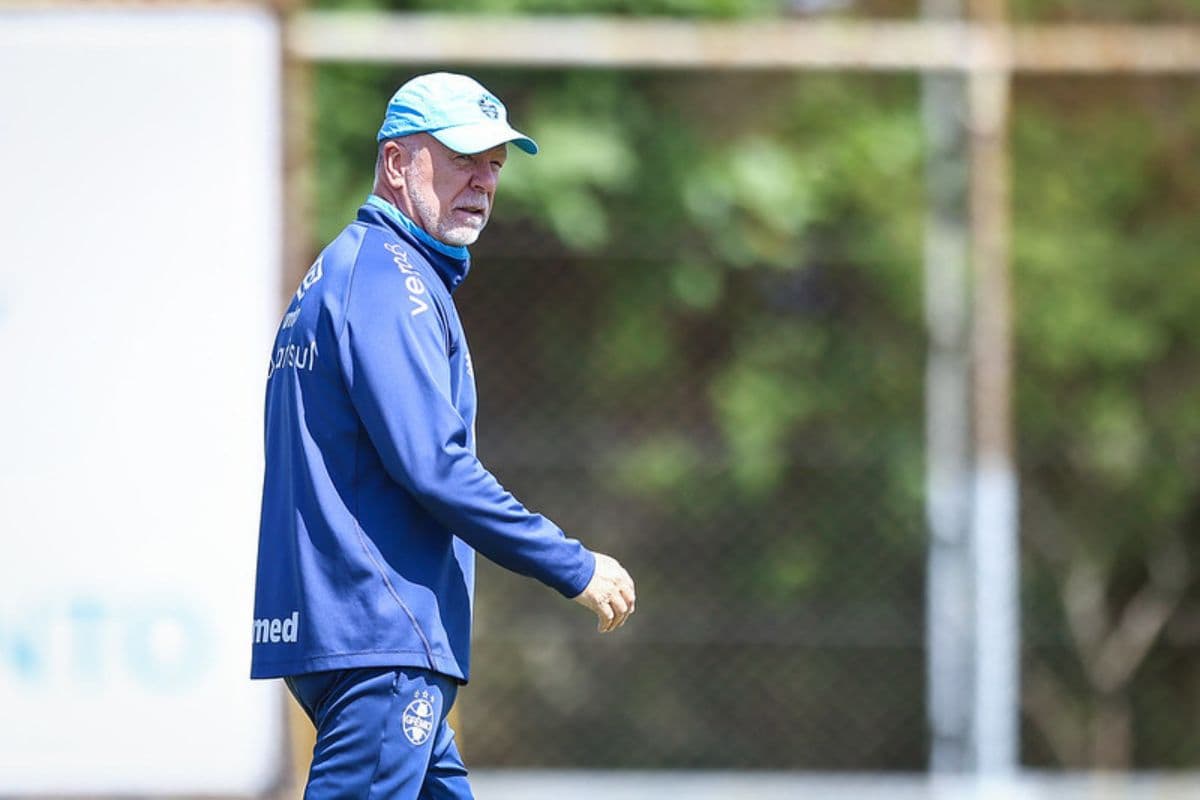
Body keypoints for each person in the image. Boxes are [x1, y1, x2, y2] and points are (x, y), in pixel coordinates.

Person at [250, 72, 637, 799]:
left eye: (495, 164)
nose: (484, 182)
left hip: (368, 635)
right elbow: (435, 466)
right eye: (462, 158)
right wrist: (571, 564)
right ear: (397, 164)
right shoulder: (388, 281)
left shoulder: (352, 272)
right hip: (383, 637)